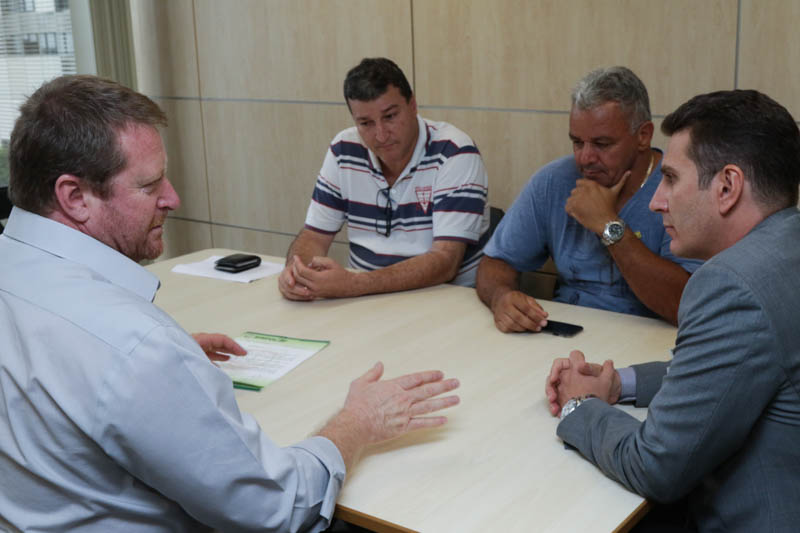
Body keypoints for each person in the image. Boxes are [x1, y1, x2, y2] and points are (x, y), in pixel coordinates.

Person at [0, 75, 460, 532]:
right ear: (74, 197)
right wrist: (359, 423)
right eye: (151, 184)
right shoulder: (135, 349)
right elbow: (280, 510)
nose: (172, 198)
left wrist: (163, 370)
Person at [545, 89, 800, 532]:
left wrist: (578, 407)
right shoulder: (786, 248)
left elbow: (655, 466)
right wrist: (617, 383)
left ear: (727, 187)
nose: (657, 201)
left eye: (670, 179)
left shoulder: (732, 285)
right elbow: (727, 371)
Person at [476, 66, 701, 332]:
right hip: (566, 334)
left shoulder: (682, 189)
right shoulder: (554, 181)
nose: (585, 158)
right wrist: (501, 297)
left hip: (650, 341)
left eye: (602, 144)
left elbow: (687, 305)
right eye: (577, 142)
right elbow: (495, 264)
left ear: (643, 136)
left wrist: (608, 226)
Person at [279, 57, 489, 301]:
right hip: (365, 298)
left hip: (444, 299)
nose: (380, 135)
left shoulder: (454, 151)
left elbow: (446, 261)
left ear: (413, 105)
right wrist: (296, 273)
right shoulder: (343, 150)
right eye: (365, 123)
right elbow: (313, 236)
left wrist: (354, 284)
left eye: (389, 116)